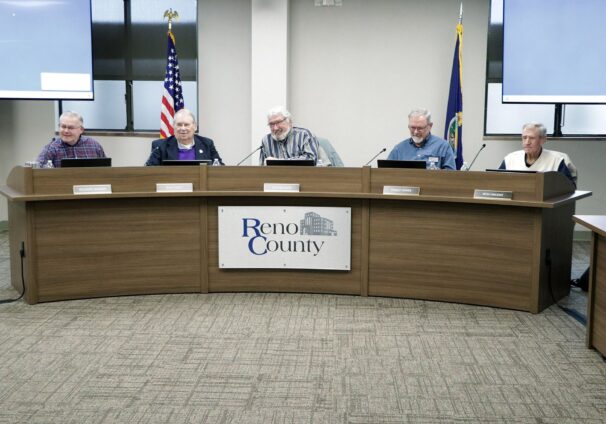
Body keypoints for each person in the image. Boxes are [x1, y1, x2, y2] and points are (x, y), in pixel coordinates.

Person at [499, 122, 577, 186]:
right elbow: (496, 183)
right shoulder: (510, 158)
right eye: (524, 137)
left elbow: (569, 188)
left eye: (532, 138)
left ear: (543, 140)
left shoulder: (556, 160)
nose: (527, 142)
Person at [145, 109, 223, 166]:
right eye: (179, 125)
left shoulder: (207, 144)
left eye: (186, 125)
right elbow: (149, 170)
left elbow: (220, 168)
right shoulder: (160, 145)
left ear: (195, 127)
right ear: (173, 127)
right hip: (171, 186)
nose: (183, 128)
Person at [387, 108, 456, 170]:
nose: (416, 132)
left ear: (430, 126)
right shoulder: (399, 149)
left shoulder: (443, 146)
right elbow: (386, 171)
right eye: (412, 128)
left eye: (420, 128)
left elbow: (451, 175)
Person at [36, 111, 107, 168]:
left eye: (70, 128)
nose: (66, 131)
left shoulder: (94, 146)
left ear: (81, 130)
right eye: (63, 127)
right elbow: (38, 171)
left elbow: (106, 169)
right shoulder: (50, 148)